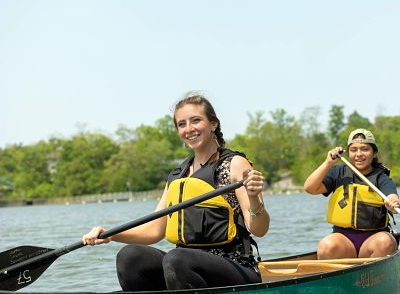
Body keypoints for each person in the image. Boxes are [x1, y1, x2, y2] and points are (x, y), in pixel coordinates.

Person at [82, 94, 270, 291]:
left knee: (177, 258)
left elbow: (260, 229)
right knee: (130, 257)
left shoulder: (234, 164)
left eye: (196, 120)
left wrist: (253, 197)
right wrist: (111, 235)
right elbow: (155, 230)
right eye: (182, 124)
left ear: (213, 124)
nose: (189, 129)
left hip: (236, 267)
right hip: (184, 267)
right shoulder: (178, 175)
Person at [304, 128, 400, 260]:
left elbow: (392, 197)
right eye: (353, 149)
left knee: (385, 242)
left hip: (373, 241)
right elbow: (310, 188)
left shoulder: (380, 177)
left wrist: (393, 203)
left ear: (374, 153)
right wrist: (328, 163)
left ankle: (373, 276)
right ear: (348, 152)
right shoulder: (338, 173)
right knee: (326, 246)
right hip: (344, 241)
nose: (359, 154)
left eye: (365, 149)